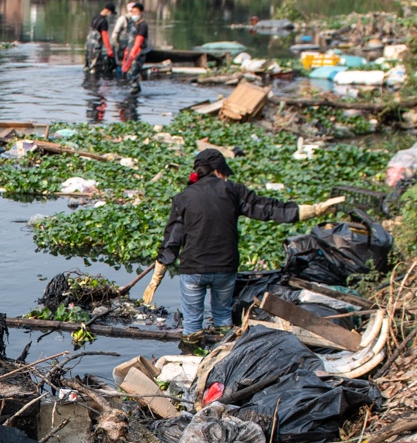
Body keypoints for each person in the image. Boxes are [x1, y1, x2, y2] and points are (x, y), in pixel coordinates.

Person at [142, 147, 337, 345]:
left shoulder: (184, 197)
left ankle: (192, 356)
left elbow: (172, 238)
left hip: (194, 269)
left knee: (192, 324)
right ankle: (224, 352)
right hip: (225, 268)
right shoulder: (233, 191)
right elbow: (267, 208)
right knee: (222, 318)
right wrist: (312, 210)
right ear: (217, 171)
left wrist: (157, 277)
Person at [83, 0, 117, 77]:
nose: (111, 15)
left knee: (87, 66)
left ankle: (86, 82)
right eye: (111, 13)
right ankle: (94, 84)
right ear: (108, 11)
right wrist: (109, 50)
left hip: (88, 46)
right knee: (94, 69)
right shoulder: (104, 22)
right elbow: (105, 36)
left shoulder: (95, 16)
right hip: (95, 47)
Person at [117, 0, 149, 79]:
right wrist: (126, 55)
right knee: (128, 77)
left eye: (136, 12)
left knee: (133, 76)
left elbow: (138, 43)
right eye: (132, 12)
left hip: (137, 55)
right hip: (130, 53)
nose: (134, 14)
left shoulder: (143, 25)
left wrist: (129, 60)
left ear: (141, 12)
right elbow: (131, 40)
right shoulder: (134, 24)